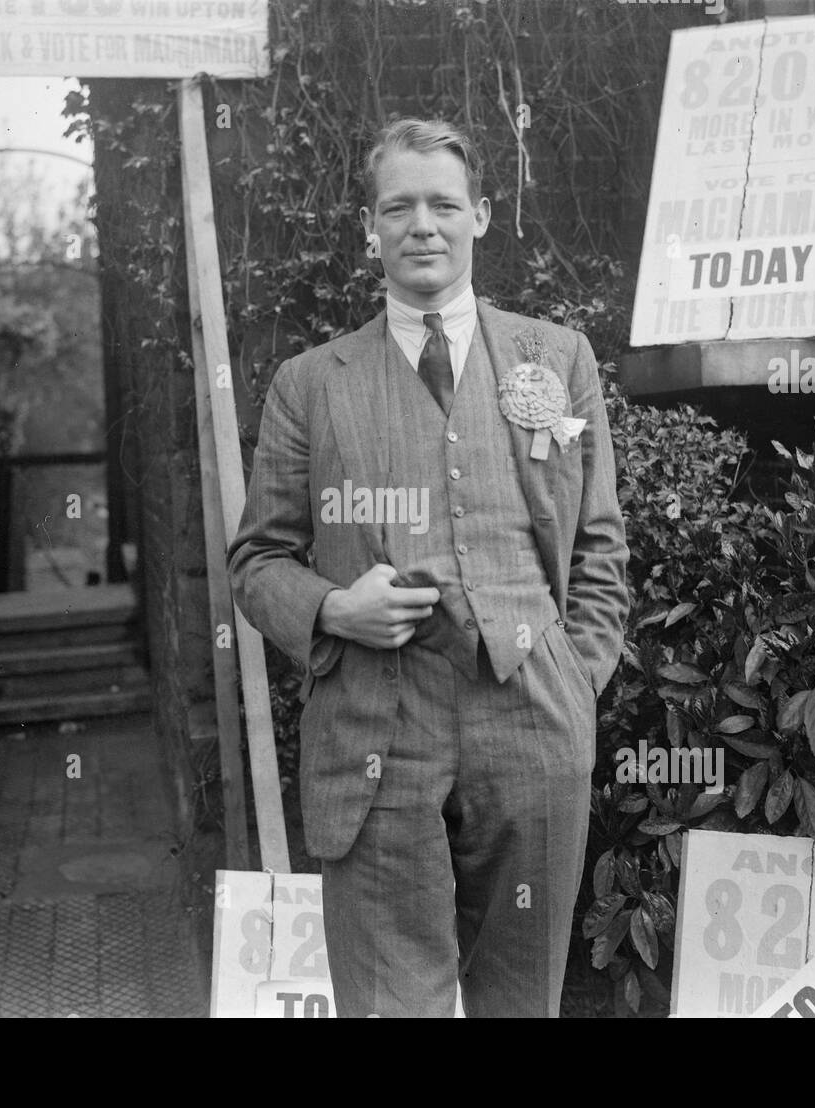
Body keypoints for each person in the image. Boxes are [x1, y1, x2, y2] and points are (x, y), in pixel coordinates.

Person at [227, 118, 629, 1017]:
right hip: (378, 723)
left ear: (480, 216)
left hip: (531, 718)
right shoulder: (311, 383)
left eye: (444, 204)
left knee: (521, 997)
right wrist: (332, 610)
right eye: (398, 207)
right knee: (388, 1001)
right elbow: (257, 560)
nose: (423, 226)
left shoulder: (554, 359)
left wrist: (577, 677)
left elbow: (600, 542)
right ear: (369, 229)